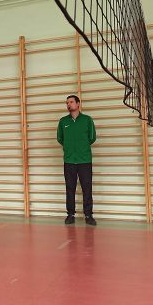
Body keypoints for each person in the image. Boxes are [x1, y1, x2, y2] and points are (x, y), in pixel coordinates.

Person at [56, 95, 97, 226]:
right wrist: (69, 148)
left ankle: (88, 215)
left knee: (87, 188)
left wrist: (82, 148)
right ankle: (70, 214)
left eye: (71, 102)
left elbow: (92, 137)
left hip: (85, 160)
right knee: (70, 188)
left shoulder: (87, 120)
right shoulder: (63, 121)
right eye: (67, 103)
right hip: (69, 161)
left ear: (78, 104)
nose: (69, 104)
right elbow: (60, 138)